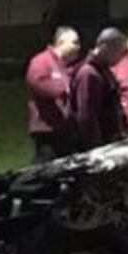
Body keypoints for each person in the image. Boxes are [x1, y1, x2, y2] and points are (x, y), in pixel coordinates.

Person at [25, 25, 82, 162]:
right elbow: (35, 84)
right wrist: (63, 89)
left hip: (63, 129)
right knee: (44, 168)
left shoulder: (64, 66)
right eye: (75, 42)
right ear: (61, 42)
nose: (78, 47)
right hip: (47, 129)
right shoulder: (41, 61)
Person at [71, 27, 128, 150]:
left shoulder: (104, 71)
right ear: (107, 48)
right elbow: (86, 116)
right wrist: (96, 148)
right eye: (119, 52)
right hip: (99, 146)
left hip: (110, 140)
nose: (120, 58)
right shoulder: (89, 73)